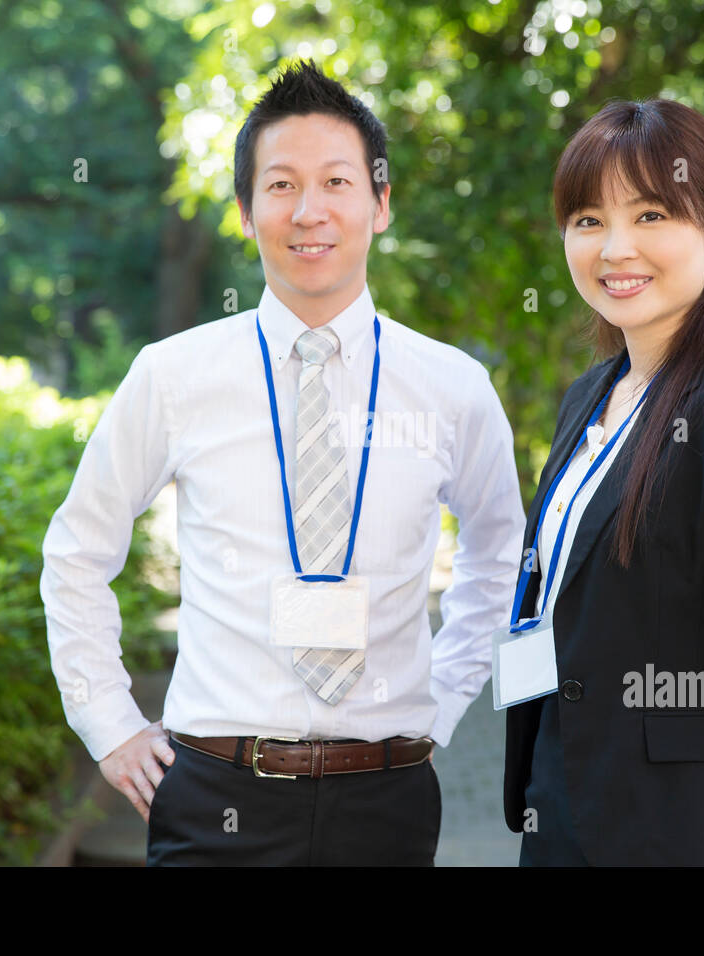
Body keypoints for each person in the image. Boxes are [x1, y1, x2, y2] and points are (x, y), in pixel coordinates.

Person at [40, 59, 525, 866]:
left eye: (337, 181)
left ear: (381, 203)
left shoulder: (453, 387)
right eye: (281, 185)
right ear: (244, 209)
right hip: (213, 796)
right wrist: (111, 724)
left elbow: (501, 556)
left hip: (388, 799)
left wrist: (439, 705)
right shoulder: (173, 375)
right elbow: (77, 551)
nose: (310, 211)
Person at [500, 98, 704, 867]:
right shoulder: (587, 396)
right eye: (588, 220)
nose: (616, 248)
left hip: (681, 829)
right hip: (558, 809)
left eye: (651, 215)